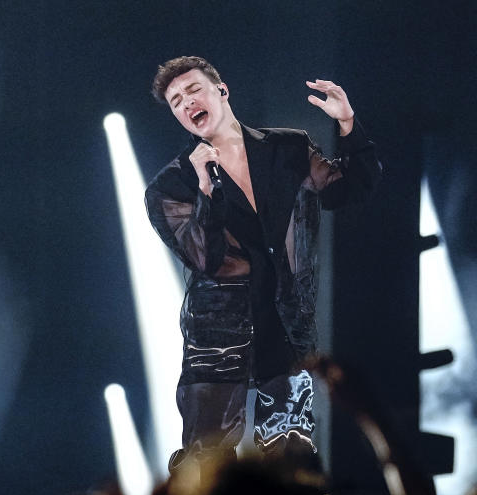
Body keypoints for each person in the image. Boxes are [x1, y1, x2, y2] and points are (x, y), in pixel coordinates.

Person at [145, 56, 380, 471]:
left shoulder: (286, 147)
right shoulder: (171, 185)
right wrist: (207, 191)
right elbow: (206, 258)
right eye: (176, 101)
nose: (186, 103)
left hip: (288, 325)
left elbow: (346, 191)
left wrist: (347, 124)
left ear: (222, 90)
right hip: (217, 336)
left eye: (193, 90)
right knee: (207, 463)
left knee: (292, 455)